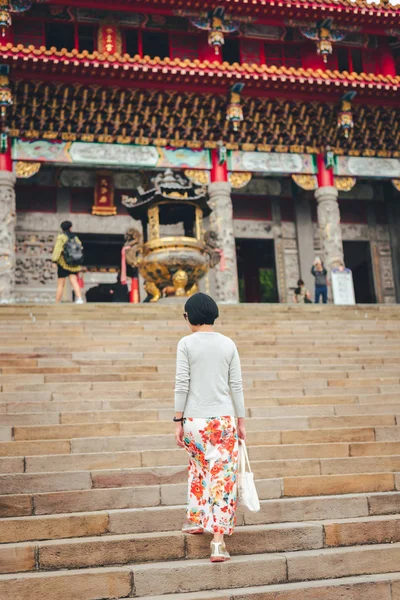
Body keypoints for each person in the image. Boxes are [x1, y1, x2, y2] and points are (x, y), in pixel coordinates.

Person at [174, 292, 246, 563]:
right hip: (223, 421)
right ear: (214, 314)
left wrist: (177, 421)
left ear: (189, 317)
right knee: (222, 478)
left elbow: (182, 383)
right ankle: (217, 542)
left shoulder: (186, 344)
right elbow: (236, 385)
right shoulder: (228, 344)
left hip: (193, 421)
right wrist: (241, 420)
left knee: (198, 469)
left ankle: (195, 520)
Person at [51, 221, 84, 304]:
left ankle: (57, 302)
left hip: (63, 263)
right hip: (73, 264)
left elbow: (57, 249)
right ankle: (79, 299)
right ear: (70, 227)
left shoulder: (61, 237)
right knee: (74, 281)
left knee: (60, 284)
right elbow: (80, 247)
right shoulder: (75, 237)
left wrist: (54, 261)